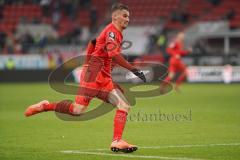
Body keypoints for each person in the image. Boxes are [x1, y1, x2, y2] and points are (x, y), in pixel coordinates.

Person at [24, 3, 146, 153]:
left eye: (129, 16)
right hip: (93, 76)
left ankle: (117, 141)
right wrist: (133, 69)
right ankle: (45, 106)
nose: (128, 19)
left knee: (123, 105)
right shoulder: (112, 32)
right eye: (125, 16)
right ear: (115, 16)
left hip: (102, 78)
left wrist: (103, 73)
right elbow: (113, 54)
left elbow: (96, 45)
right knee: (78, 110)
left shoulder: (115, 33)